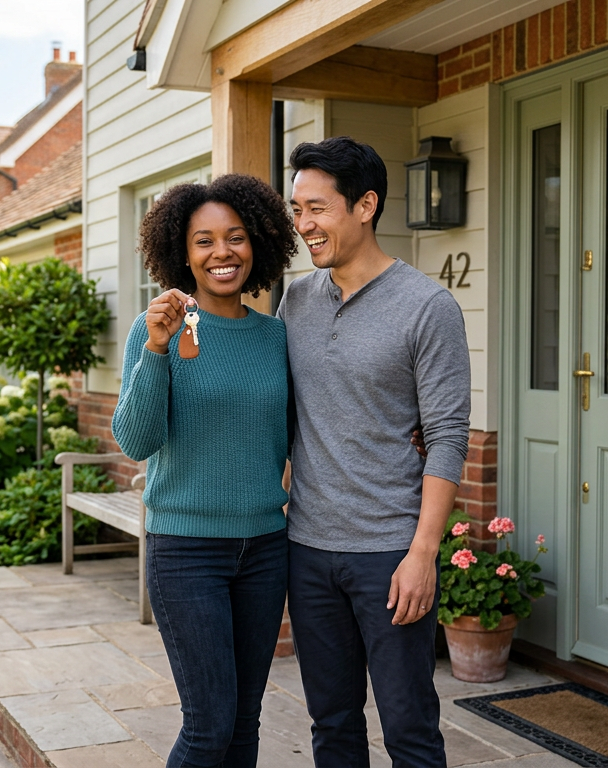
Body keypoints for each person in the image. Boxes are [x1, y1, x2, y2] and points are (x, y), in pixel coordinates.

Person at [279, 136, 471, 767]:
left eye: (318, 209)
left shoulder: (427, 307)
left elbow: (447, 436)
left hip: (389, 554)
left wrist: (423, 554)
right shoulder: (297, 301)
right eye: (297, 209)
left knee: (409, 728)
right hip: (308, 550)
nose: (304, 225)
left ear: (365, 205)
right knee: (330, 724)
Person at [111, 173, 298, 768]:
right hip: (186, 551)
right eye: (204, 241)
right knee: (209, 724)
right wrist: (158, 350)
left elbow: (302, 434)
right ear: (181, 253)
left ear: (258, 244)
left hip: (266, 550)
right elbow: (135, 441)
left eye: (236, 237)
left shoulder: (276, 338)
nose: (223, 252)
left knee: (244, 722)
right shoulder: (154, 329)